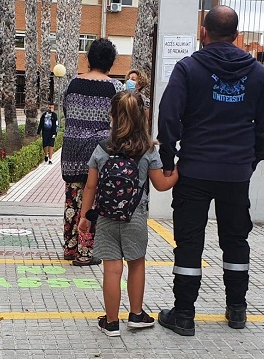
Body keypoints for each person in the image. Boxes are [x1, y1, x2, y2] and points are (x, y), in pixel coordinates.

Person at [156, 5, 264, 336]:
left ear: (203, 32)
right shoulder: (258, 74)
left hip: (194, 171)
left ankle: (183, 315)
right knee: (236, 240)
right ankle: (237, 310)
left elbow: (168, 118)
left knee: (189, 242)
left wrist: (169, 162)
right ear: (236, 36)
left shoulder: (188, 68)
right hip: (236, 175)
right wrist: (249, 161)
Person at [79, 91, 178, 336]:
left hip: (106, 216)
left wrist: (84, 216)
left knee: (112, 269)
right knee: (136, 264)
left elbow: (90, 185)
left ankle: (111, 322)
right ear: (142, 117)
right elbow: (162, 185)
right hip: (135, 215)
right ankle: (136, 315)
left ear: (111, 116)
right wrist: (180, 169)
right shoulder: (147, 149)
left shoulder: (102, 147)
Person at [60, 38, 123, 266]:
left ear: (89, 58)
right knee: (93, 199)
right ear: (111, 62)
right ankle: (85, 252)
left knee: (72, 198)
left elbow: (65, 110)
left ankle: (70, 246)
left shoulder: (73, 84)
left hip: (72, 148)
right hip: (99, 151)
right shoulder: (115, 88)